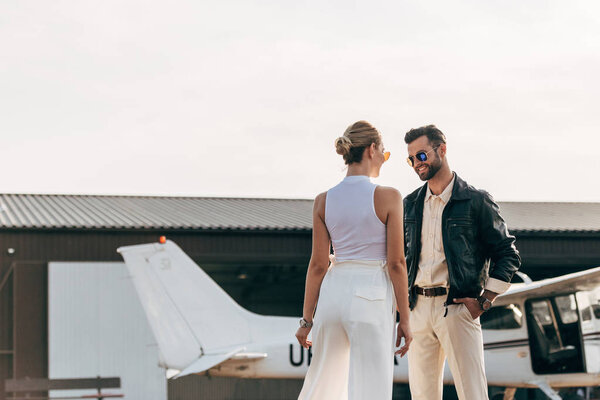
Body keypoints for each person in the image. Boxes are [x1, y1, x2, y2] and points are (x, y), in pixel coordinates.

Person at [402, 125, 521, 400]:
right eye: (410, 159)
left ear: (441, 150)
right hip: (417, 309)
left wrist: (485, 300)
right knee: (422, 395)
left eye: (420, 156)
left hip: (457, 308)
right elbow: (399, 258)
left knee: (472, 394)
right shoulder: (409, 204)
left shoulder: (475, 201)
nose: (416, 164)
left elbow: (507, 253)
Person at [295, 121, 412, 400]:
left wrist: (306, 320)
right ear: (372, 149)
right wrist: (405, 319)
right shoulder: (388, 197)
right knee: (370, 388)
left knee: (322, 385)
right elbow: (397, 263)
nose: (384, 158)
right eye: (384, 152)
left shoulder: (323, 200)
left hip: (332, 295)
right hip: (371, 295)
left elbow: (318, 265)